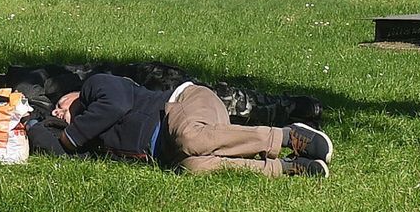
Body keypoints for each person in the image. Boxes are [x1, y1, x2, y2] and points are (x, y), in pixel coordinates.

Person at [27, 74, 333, 177]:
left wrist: (71, 136)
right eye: (55, 112)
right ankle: (288, 168)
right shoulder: (91, 137)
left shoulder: (97, 86)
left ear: (73, 92)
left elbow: (116, 106)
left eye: (60, 104)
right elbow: (45, 141)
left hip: (186, 104)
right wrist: (31, 123)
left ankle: (287, 136)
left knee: (190, 138)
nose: (58, 110)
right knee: (193, 166)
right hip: (169, 149)